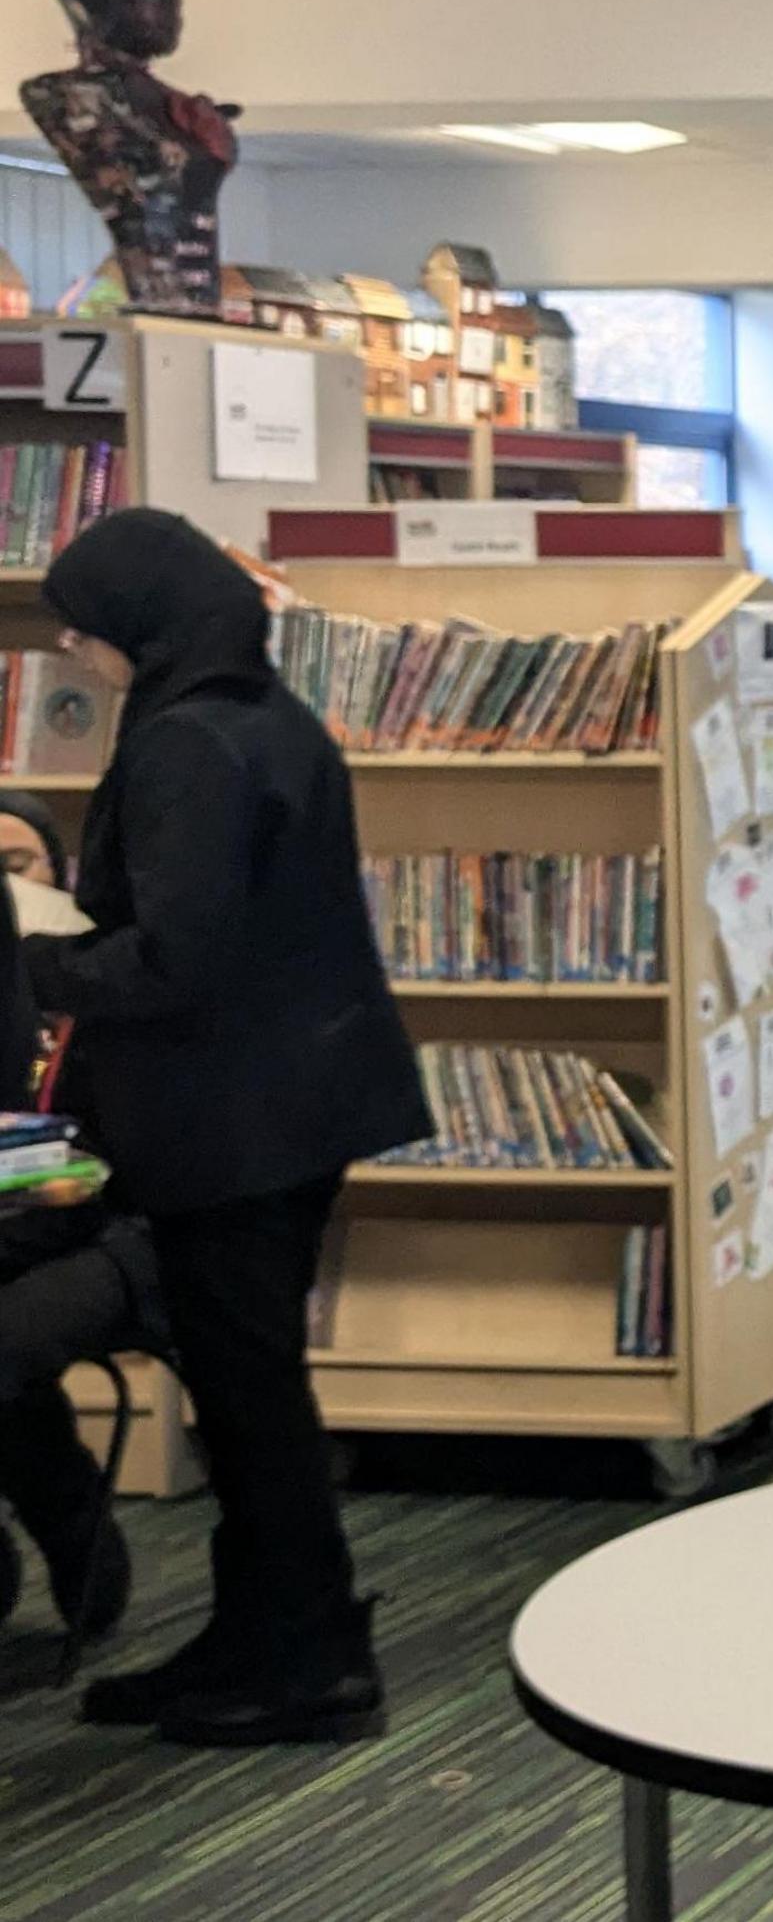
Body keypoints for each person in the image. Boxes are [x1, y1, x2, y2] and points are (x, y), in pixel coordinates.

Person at [24, 508, 430, 1747]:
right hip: (288, 1104)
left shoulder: (188, 742)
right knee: (253, 1388)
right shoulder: (264, 714)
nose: (79, 657)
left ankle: (306, 1655)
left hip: (235, 1121)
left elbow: (175, 960)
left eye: (86, 632)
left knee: (252, 1396)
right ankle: (267, 1632)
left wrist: (35, 957)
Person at [0, 797, 150, 1656]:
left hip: (96, 1220)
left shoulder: (93, 984)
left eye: (20, 864)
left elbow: (103, 1158)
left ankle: (68, 1514)